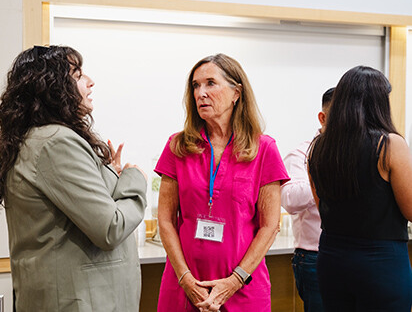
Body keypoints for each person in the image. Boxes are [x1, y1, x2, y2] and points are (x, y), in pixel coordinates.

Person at [0, 45, 147, 311]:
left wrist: (109, 177)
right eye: (77, 75)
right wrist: (134, 179)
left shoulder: (35, 138)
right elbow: (110, 228)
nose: (90, 81)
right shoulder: (56, 143)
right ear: (51, 86)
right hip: (80, 300)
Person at [155, 53, 290, 312]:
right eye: (195, 85)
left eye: (210, 83)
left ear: (236, 93)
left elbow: (270, 226)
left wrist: (234, 280)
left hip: (243, 288)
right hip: (184, 285)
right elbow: (165, 220)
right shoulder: (178, 146)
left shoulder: (263, 149)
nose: (200, 93)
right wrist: (185, 279)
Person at [308, 66, 412, 311]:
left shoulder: (318, 146)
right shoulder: (389, 144)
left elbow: (322, 205)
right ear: (378, 103)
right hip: (380, 262)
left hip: (332, 259)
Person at [281, 87, 333, 312]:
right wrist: (326, 176)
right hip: (314, 257)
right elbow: (289, 199)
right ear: (323, 118)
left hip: (353, 253)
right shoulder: (302, 153)